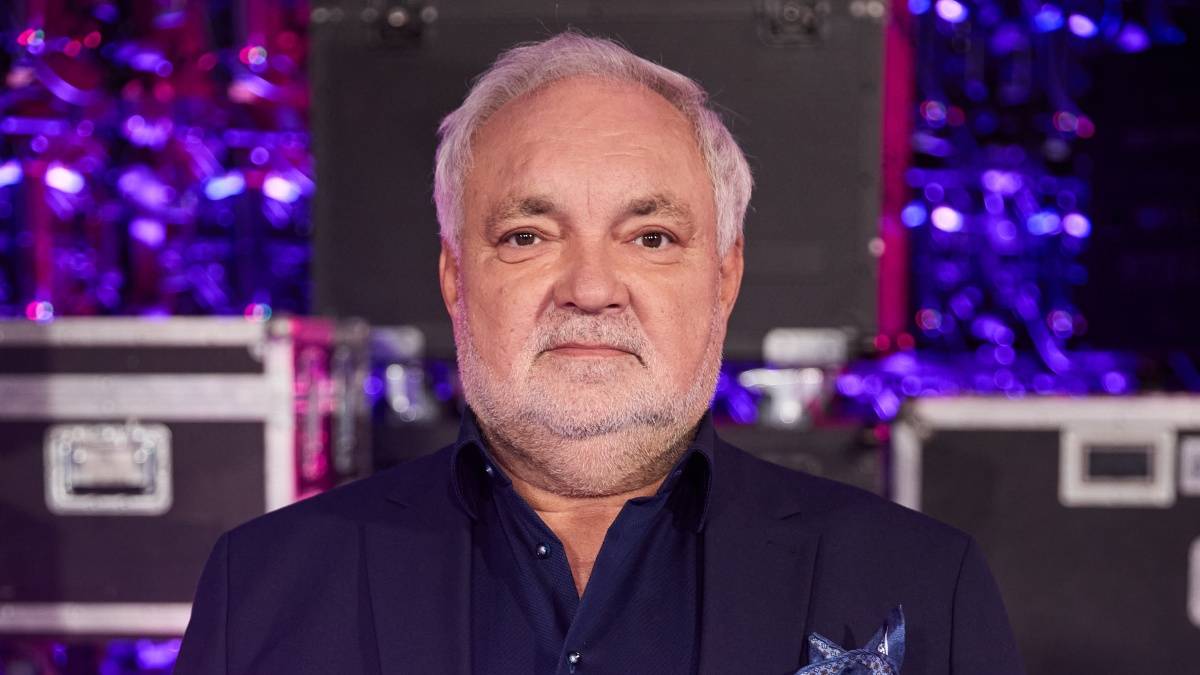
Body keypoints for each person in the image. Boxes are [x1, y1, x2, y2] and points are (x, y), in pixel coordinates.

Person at [175, 32, 1023, 675]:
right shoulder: (263, 587)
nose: (589, 287)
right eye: (528, 235)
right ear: (456, 277)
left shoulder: (922, 584)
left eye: (650, 237)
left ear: (724, 276)